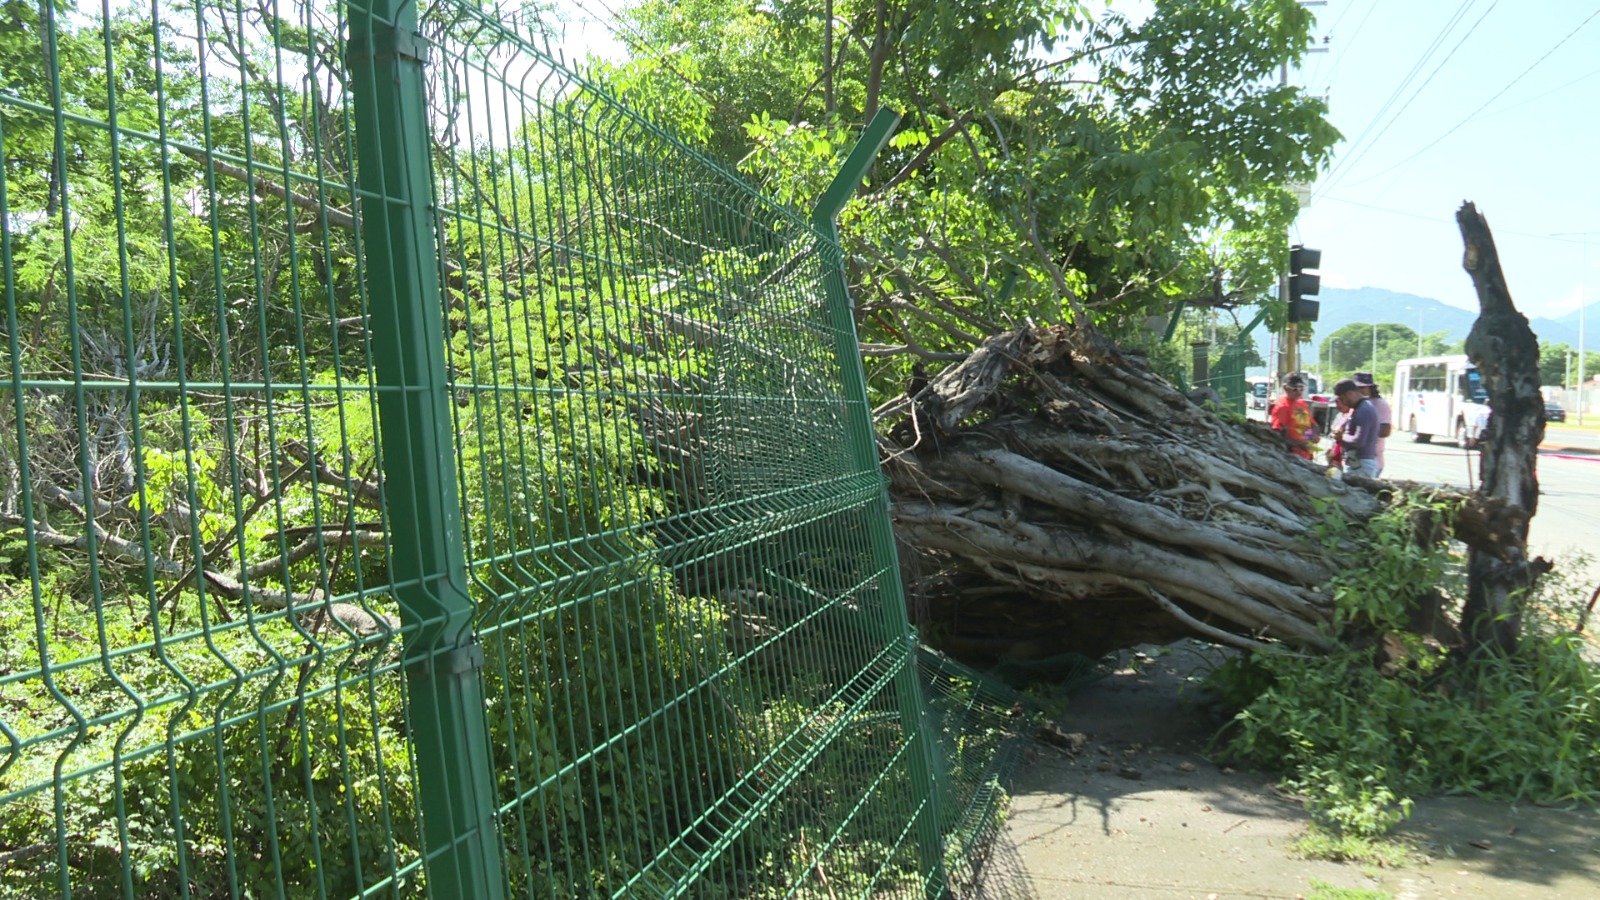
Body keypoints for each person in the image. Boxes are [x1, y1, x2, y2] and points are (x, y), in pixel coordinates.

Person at [1334, 378, 1380, 477]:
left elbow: (1359, 441)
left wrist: (1341, 437)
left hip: (1361, 465)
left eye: (1342, 399)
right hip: (1356, 464)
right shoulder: (1360, 408)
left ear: (1350, 394)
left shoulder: (1363, 410)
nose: (1343, 403)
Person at [1352, 372, 1391, 475]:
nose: (1360, 391)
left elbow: (1386, 431)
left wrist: (1368, 429)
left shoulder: (1380, 404)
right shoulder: (1356, 404)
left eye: (1363, 388)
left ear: (1371, 388)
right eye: (1357, 388)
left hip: (1372, 459)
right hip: (1355, 459)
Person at [1269, 374, 1316, 460]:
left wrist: (1313, 436)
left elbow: (1313, 425)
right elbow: (1277, 436)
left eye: (1301, 388)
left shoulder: (1302, 404)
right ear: (1285, 388)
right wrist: (1299, 444)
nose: (1299, 392)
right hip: (1291, 457)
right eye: (1295, 389)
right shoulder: (1282, 407)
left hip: (1306, 455)